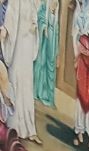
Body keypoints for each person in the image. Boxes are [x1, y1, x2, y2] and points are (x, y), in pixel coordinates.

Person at [1, 0, 41, 143]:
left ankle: (30, 129)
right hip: (17, 48)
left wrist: (34, 27)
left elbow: (34, 20)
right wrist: (4, 32)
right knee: (16, 82)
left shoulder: (32, 2)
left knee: (27, 85)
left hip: (28, 46)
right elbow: (9, 22)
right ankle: (15, 127)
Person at [71, 0, 89, 147]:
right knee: (81, 96)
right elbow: (75, 35)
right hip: (81, 61)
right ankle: (79, 129)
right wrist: (78, 53)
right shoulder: (77, 13)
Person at [33, 0, 57, 108]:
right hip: (43, 43)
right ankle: (38, 91)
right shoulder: (44, 7)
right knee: (41, 66)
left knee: (49, 70)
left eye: (56, 4)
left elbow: (56, 34)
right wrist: (43, 28)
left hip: (51, 45)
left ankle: (47, 95)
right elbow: (40, 17)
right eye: (53, 3)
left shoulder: (55, 18)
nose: (54, 6)